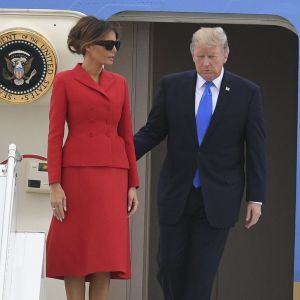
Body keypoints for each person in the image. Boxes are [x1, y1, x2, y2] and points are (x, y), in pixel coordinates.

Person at [134, 27, 266, 300]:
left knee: (201, 274)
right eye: (200, 56)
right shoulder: (173, 86)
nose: (206, 63)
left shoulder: (246, 92)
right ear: (192, 56)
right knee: (169, 268)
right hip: (177, 193)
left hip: (218, 196)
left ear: (225, 56)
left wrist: (256, 198)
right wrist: (116, 158)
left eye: (212, 57)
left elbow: (255, 147)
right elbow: (152, 131)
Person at [46, 16, 139, 300]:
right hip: (76, 177)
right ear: (87, 46)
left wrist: (133, 184)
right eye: (108, 44)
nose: (114, 50)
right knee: (75, 250)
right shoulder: (64, 81)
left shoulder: (120, 83)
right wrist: (54, 184)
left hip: (113, 176)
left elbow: (127, 136)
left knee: (105, 254)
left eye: (117, 44)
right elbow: (54, 135)